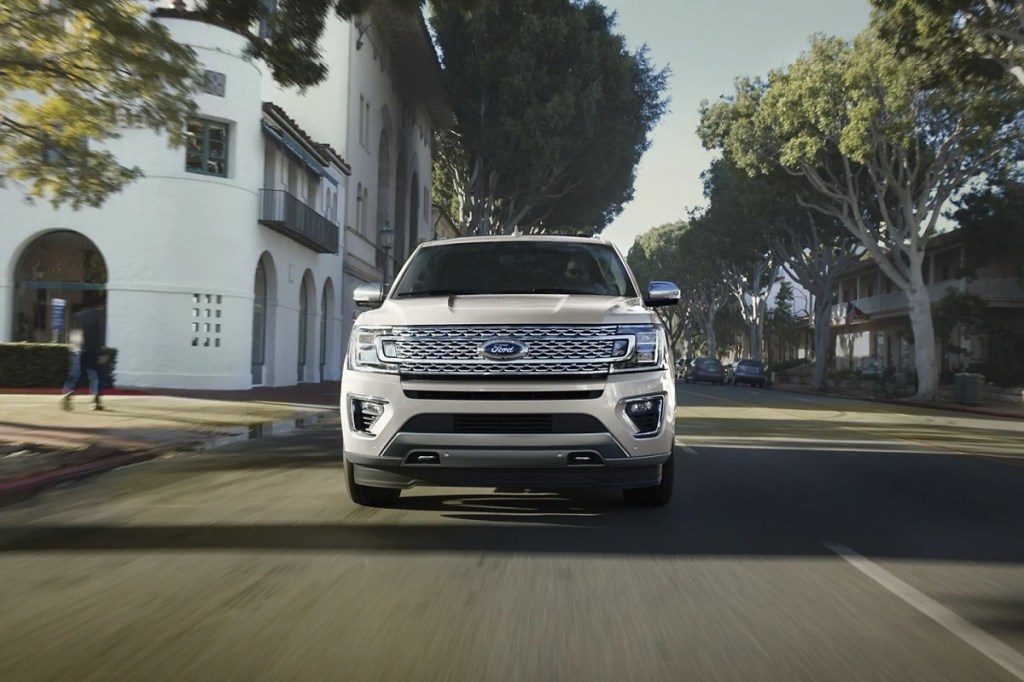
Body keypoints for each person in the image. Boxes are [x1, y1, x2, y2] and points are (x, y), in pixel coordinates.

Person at [60, 294, 108, 411]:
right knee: (96, 376)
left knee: (75, 375)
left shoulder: (77, 316)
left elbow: (73, 334)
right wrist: (101, 352)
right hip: (93, 350)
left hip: (78, 350)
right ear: (100, 305)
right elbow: (100, 336)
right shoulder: (100, 316)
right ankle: (95, 401)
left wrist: (73, 349)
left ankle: (68, 393)